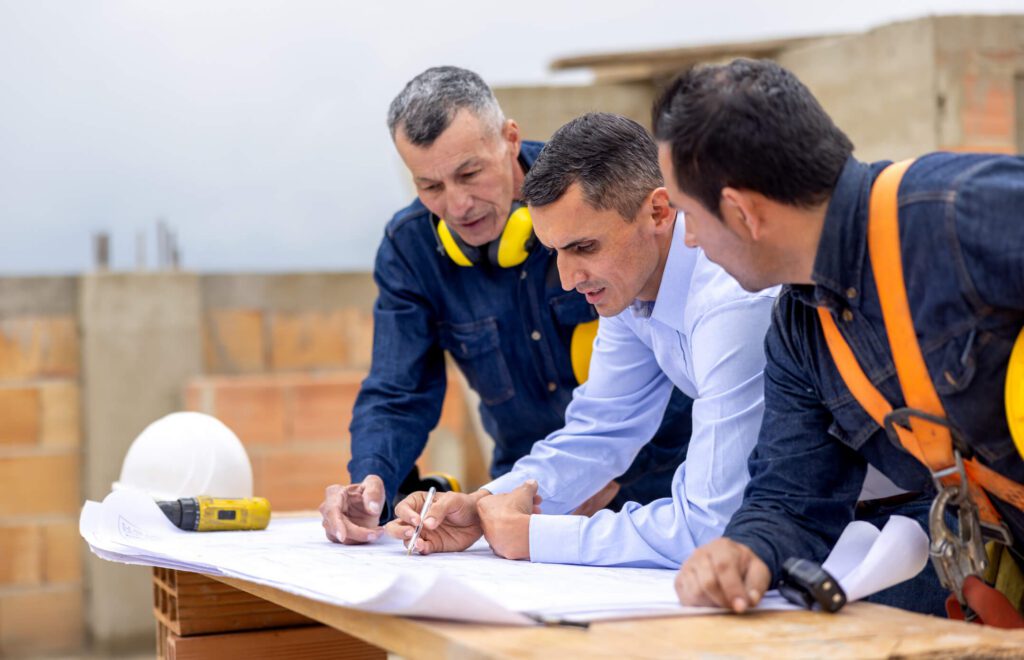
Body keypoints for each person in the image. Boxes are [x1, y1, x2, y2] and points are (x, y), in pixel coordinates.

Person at [654, 59, 1024, 618]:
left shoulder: (962, 213)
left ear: (743, 212)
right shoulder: (799, 332)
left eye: (687, 214)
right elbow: (792, 499)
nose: (690, 240)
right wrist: (745, 550)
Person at [319, 67, 694, 545]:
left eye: (469, 173)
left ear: (510, 140)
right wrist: (372, 482)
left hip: (660, 487)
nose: (457, 205)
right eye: (430, 187)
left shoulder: (593, 203)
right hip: (523, 488)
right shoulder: (409, 249)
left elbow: (673, 360)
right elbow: (398, 390)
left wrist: (607, 476)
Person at [386, 112, 777, 568]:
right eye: (556, 253)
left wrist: (537, 537)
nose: (569, 280)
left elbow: (711, 527)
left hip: (861, 533)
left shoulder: (731, 304)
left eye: (584, 247)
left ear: (657, 210)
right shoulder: (630, 287)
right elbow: (602, 429)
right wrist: (483, 506)